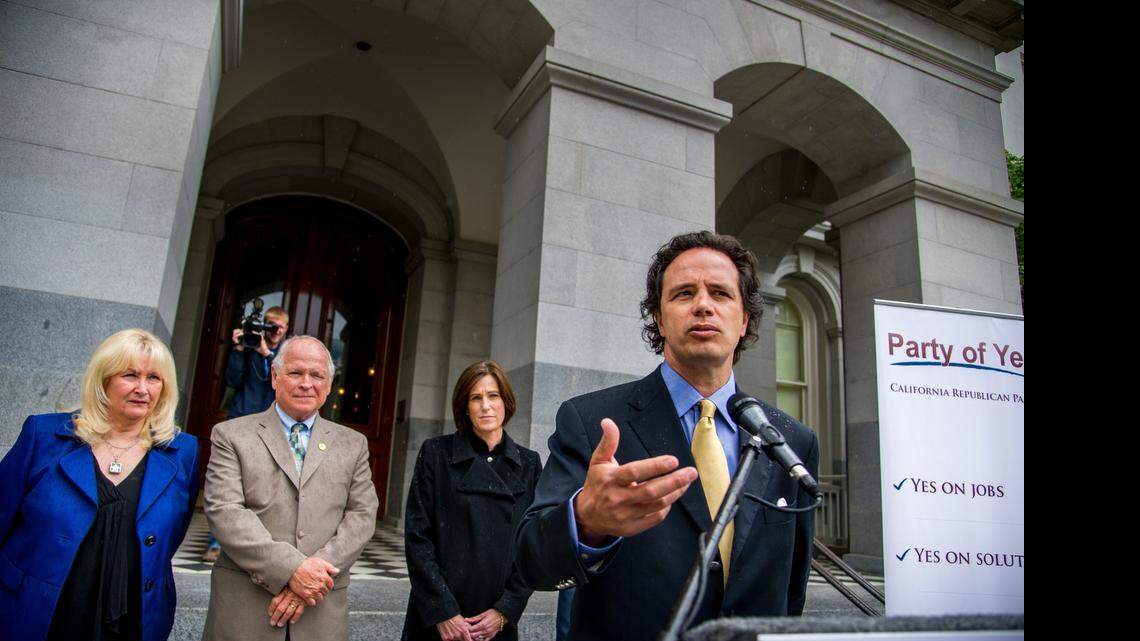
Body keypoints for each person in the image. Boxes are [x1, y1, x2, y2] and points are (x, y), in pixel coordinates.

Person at [514, 231, 819, 641]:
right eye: (684, 293)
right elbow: (530, 561)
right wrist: (585, 521)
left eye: (720, 293)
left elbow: (791, 591)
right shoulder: (592, 421)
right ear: (658, 317)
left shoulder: (792, 441)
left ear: (744, 318)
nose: (703, 305)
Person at [0, 328, 200, 641]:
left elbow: (170, 535)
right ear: (103, 379)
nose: (143, 389)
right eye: (130, 375)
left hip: (131, 619)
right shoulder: (43, 435)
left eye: (154, 378)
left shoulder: (183, 451)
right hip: (38, 613)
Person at [201, 336, 378, 641]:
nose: (306, 383)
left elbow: (362, 515)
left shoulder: (353, 444)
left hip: (320, 611)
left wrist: (312, 578)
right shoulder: (231, 436)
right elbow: (225, 511)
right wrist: (292, 571)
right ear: (275, 376)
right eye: (296, 373)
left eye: (317, 375)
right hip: (246, 611)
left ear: (329, 383)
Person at [402, 361, 542, 641]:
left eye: (493, 396)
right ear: (465, 407)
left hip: (494, 623)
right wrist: (443, 611)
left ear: (507, 402)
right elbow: (418, 537)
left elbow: (533, 546)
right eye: (475, 398)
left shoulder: (529, 463)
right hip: (438, 619)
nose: (486, 406)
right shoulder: (436, 454)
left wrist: (505, 611)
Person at [202, 305, 290, 562]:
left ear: (285, 330)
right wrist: (239, 350)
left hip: (273, 426)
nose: (272, 331)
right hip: (242, 418)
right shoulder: (249, 346)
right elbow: (231, 379)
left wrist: (267, 353)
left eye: (278, 327)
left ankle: (261, 542)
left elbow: (282, 385)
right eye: (269, 324)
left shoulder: (284, 355)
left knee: (264, 485)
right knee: (229, 482)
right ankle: (216, 542)